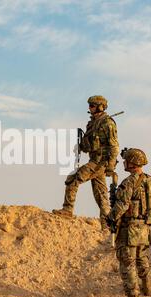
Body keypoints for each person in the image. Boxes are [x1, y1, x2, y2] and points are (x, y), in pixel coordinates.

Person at [52, 95, 119, 229]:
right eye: (89, 105)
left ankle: (67, 209)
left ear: (100, 106)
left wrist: (110, 167)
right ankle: (106, 225)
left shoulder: (107, 123)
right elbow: (90, 144)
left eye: (92, 105)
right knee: (101, 194)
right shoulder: (92, 123)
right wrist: (80, 145)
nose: (90, 108)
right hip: (95, 160)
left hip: (100, 163)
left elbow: (114, 146)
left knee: (73, 179)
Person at [106, 148, 151, 297]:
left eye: (127, 160)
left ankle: (133, 296)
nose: (124, 162)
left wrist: (110, 218)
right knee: (142, 260)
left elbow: (122, 205)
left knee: (127, 262)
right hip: (144, 228)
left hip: (129, 229)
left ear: (133, 163)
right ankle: (149, 292)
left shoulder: (129, 182)